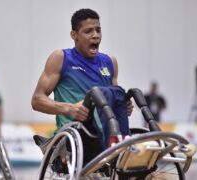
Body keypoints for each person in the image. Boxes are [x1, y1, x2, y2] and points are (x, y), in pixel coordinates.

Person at [31, 8, 134, 157]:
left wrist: (124, 107)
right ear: (74, 35)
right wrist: (70, 108)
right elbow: (37, 100)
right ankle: (120, 151)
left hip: (107, 130)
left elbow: (115, 98)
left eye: (98, 30)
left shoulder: (110, 62)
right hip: (77, 132)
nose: (96, 35)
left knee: (124, 93)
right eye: (88, 31)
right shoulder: (61, 58)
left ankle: (138, 145)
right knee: (96, 94)